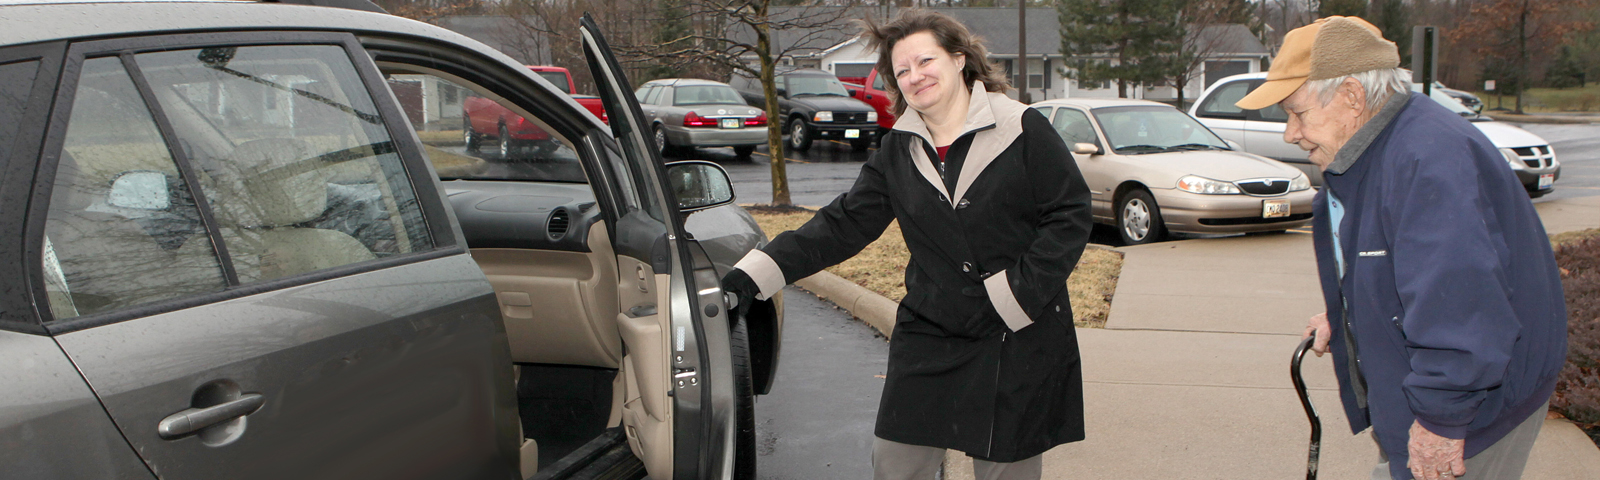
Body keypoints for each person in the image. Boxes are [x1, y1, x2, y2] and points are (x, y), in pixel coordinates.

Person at [720, 9, 1091, 480]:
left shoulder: (1022, 128)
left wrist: (1015, 295)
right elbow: (843, 224)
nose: (914, 77)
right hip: (930, 333)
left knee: (1005, 472)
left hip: (1015, 332)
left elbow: (1069, 213)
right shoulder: (898, 148)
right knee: (895, 464)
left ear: (960, 59)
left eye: (925, 61)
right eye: (902, 71)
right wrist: (754, 276)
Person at [1234, 16, 1568, 480]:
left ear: (1352, 96)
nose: (1291, 133)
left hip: (1474, 414)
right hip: (1443, 399)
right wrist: (1349, 312)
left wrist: (1440, 420)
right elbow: (1401, 264)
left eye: (1298, 113)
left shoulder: (1427, 160)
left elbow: (1462, 302)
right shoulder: (1374, 152)